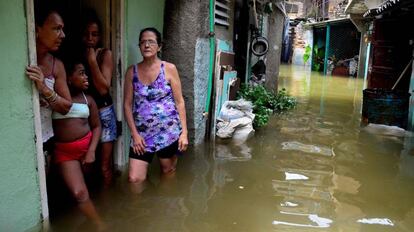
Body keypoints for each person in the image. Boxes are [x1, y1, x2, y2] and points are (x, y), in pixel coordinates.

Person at [124, 27, 188, 183]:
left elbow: (179, 102)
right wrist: (135, 134)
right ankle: (140, 207)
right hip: (142, 136)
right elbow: (127, 104)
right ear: (139, 46)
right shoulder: (131, 72)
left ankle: (164, 206)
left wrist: (184, 133)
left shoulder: (169, 69)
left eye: (151, 42)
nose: (146, 45)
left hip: (168, 133)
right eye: (143, 42)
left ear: (159, 46)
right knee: (134, 179)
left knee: (168, 172)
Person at [52, 59, 104, 229]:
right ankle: (101, 226)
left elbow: (96, 126)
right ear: (67, 78)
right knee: (79, 192)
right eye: (81, 73)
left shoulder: (87, 99)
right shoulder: (55, 100)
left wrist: (91, 151)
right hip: (65, 154)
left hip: (87, 151)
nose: (86, 77)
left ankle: (85, 220)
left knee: (88, 188)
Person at [26, 7, 72, 169]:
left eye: (62, 29)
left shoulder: (56, 66)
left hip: (47, 140)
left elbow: (66, 106)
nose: (63, 35)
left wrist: (44, 88)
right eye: (56, 29)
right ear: (37, 29)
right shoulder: (20, 59)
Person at [80, 10, 117, 185]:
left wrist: (93, 62)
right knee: (86, 165)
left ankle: (108, 206)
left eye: (94, 34)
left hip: (104, 113)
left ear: (100, 36)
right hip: (83, 115)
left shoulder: (105, 54)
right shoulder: (76, 55)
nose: (90, 38)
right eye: (86, 34)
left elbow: (103, 89)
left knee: (104, 167)